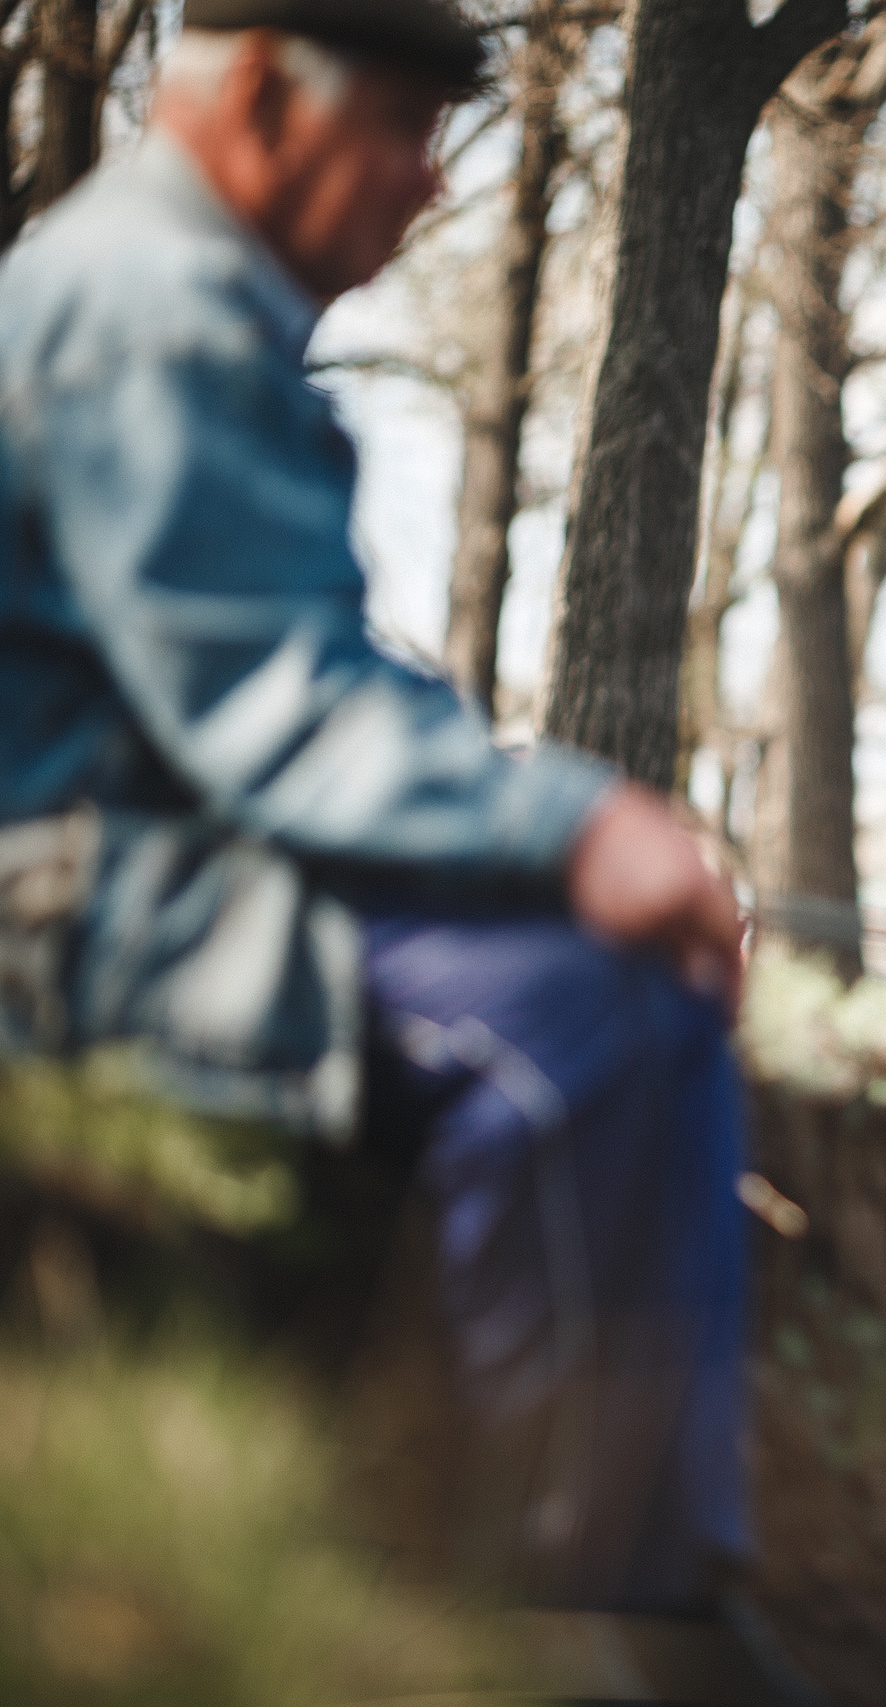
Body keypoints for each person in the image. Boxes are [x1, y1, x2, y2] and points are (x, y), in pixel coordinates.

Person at [0, 0, 758, 1628]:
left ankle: (667, 1577)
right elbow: (276, 711)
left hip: (156, 855)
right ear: (267, 92)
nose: (429, 183)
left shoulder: (174, 293)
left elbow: (299, 678)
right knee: (584, 1022)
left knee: (628, 988)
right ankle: (566, 1608)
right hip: (67, 899)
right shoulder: (153, 308)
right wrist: (580, 832)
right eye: (406, 131)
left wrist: (566, 817)